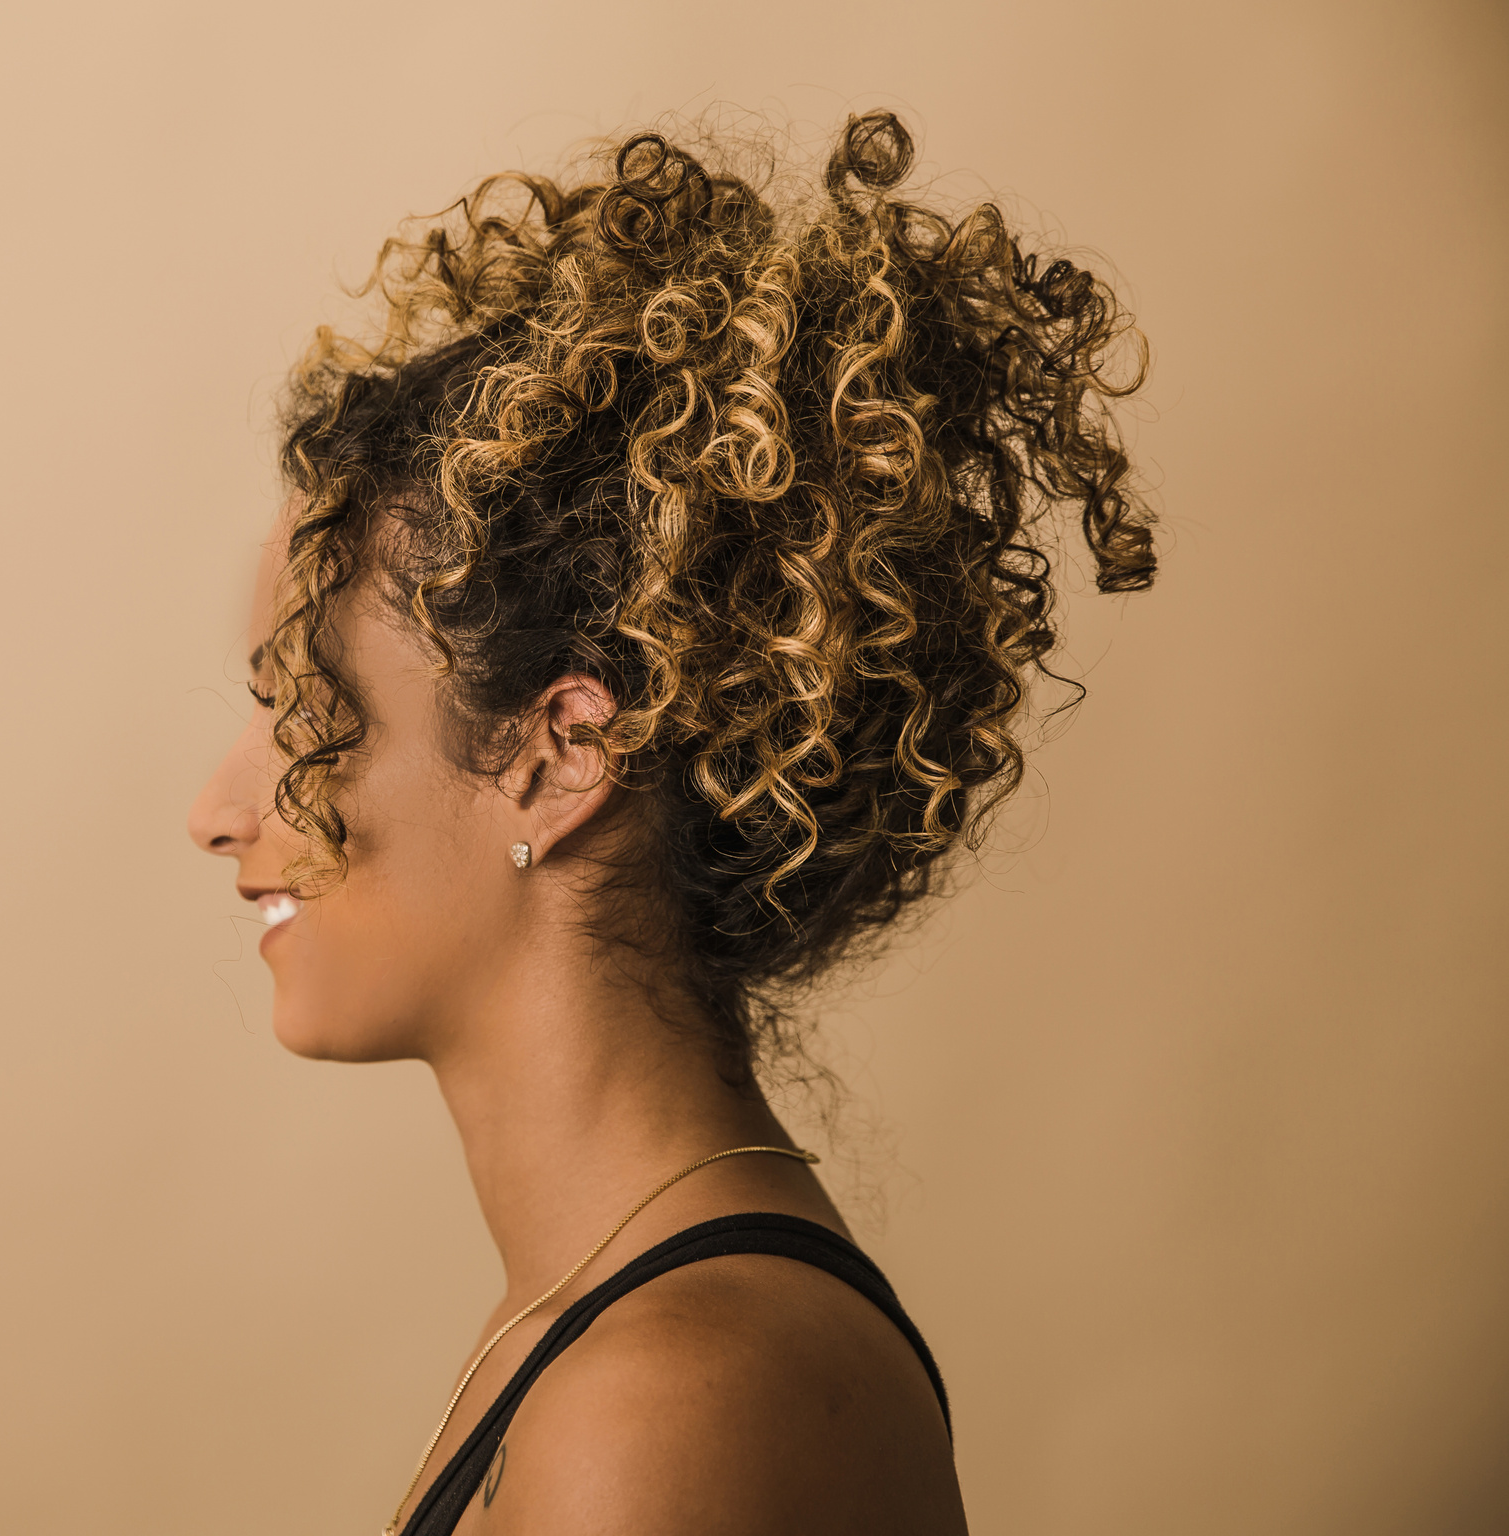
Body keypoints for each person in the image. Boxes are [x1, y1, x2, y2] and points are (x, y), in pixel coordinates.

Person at [188, 110, 1153, 1535]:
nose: (217, 815)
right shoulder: (598, 1332)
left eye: (305, 712)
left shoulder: (672, 1402)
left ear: (563, 755)